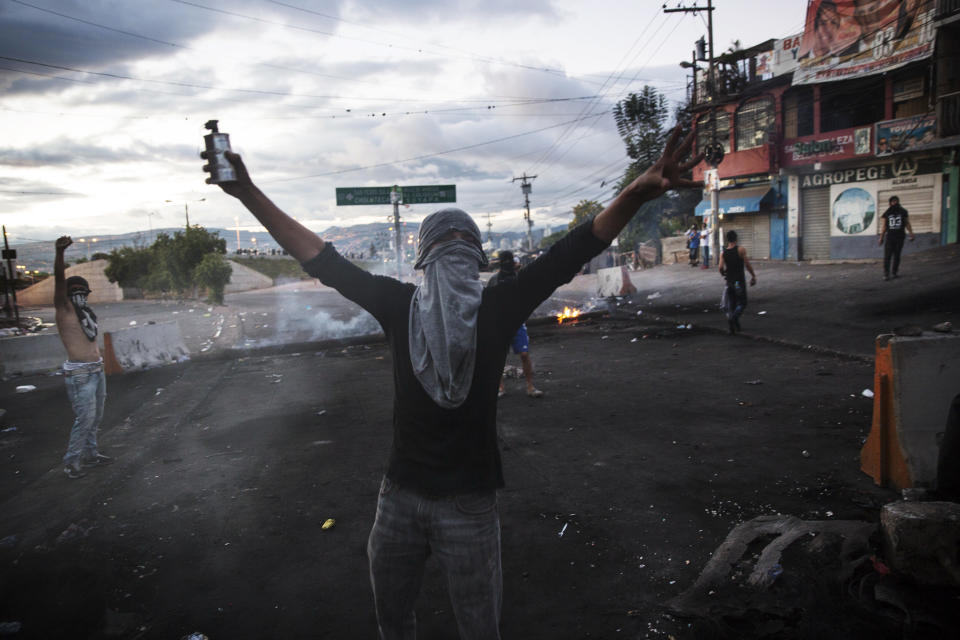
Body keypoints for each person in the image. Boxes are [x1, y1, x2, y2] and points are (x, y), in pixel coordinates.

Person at [203, 125, 701, 639]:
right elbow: (321, 259)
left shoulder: (497, 306)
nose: (457, 250)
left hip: (469, 506)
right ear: (424, 260)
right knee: (393, 622)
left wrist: (635, 194)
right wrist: (247, 192)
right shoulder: (400, 308)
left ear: (479, 261)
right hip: (398, 498)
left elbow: (573, 250)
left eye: (468, 243)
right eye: (447, 241)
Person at [54, 237, 112, 479]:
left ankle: (90, 454)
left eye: (82, 291)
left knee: (95, 417)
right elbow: (58, 281)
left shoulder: (87, 313)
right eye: (73, 291)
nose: (79, 294)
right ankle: (72, 462)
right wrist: (59, 254)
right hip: (79, 374)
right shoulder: (64, 309)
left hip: (96, 371)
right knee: (85, 418)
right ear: (67, 294)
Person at [486, 251, 543, 399]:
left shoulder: (519, 278)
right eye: (505, 261)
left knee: (524, 354)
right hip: (499, 324)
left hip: (517, 322)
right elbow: (488, 301)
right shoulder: (494, 280)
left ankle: (530, 387)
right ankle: (500, 388)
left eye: (509, 260)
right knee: (498, 358)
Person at [718, 230, 757, 335]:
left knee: (733, 304)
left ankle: (735, 326)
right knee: (742, 303)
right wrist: (753, 276)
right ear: (736, 238)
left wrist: (723, 274)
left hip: (729, 282)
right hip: (738, 282)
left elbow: (720, 267)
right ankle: (733, 319)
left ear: (727, 239)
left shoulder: (723, 253)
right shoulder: (740, 250)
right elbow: (747, 265)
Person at [878, 195, 915, 281]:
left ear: (898, 202)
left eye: (896, 201)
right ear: (890, 203)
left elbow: (907, 223)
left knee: (897, 255)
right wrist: (881, 238)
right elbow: (884, 227)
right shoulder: (887, 213)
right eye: (893, 201)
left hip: (900, 236)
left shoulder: (903, 212)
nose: (895, 203)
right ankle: (886, 273)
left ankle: (894, 272)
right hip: (890, 237)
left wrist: (911, 233)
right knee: (887, 256)